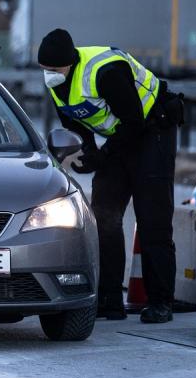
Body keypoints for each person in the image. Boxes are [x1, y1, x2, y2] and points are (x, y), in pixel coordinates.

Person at [37, 28, 182, 324]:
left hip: (153, 133)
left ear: (69, 62)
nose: (48, 74)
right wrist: (88, 153)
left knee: (152, 218)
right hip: (120, 140)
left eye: (53, 69)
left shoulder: (105, 72)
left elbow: (133, 122)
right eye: (44, 69)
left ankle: (160, 302)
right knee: (103, 216)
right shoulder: (57, 82)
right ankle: (109, 300)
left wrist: (102, 156)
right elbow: (76, 124)